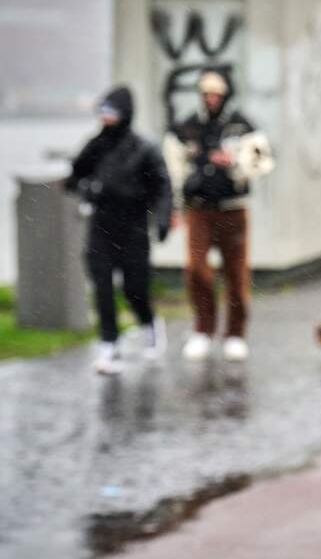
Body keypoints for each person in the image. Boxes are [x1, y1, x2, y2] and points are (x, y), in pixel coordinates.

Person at [164, 69, 274, 361]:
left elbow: (263, 162)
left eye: (217, 94)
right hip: (199, 209)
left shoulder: (241, 126)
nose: (212, 99)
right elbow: (174, 167)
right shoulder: (187, 128)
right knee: (197, 269)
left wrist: (235, 162)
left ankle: (235, 333)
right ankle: (203, 328)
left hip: (232, 208)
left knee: (236, 274)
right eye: (207, 94)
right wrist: (176, 206)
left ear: (225, 95)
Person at [66, 86, 172, 374]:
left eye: (111, 113)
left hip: (134, 227)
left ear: (125, 114)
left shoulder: (144, 147)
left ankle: (148, 322)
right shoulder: (95, 145)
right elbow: (74, 177)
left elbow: (162, 186)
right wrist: (88, 188)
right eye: (102, 113)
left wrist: (162, 219)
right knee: (101, 285)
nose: (106, 119)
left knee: (134, 288)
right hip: (101, 225)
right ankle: (108, 344)